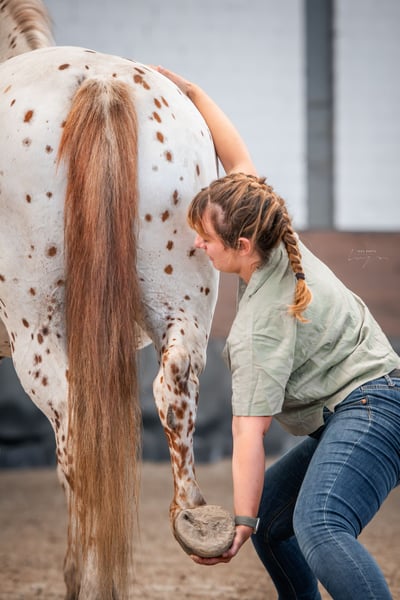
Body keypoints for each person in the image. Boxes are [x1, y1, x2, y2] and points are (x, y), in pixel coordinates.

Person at [157, 66, 400, 600]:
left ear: (241, 246)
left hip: (375, 409)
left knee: (320, 525)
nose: (198, 245)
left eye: (206, 238)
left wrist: (241, 520)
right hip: (360, 408)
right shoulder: (271, 231)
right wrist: (193, 93)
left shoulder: (257, 330)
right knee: (277, 523)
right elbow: (238, 163)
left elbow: (249, 434)